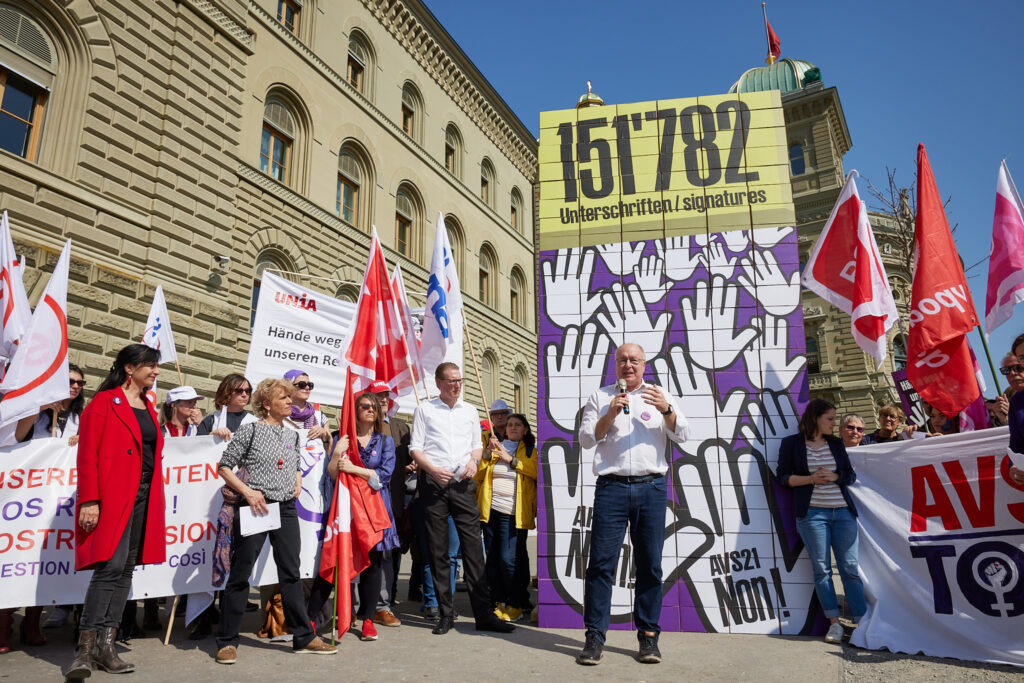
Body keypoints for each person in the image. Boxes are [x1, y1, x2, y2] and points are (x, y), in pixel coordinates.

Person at [576, 343, 689, 666]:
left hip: (650, 488)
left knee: (650, 564)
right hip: (611, 488)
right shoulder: (601, 397)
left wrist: (667, 409)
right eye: (623, 360)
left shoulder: (658, 394)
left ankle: (648, 637)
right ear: (616, 364)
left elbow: (685, 434)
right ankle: (595, 637)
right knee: (600, 564)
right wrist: (610, 412)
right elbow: (586, 440)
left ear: (644, 364)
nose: (628, 365)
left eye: (634, 360)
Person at [214, 378, 336, 663]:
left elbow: (294, 463)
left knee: (291, 573)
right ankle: (227, 641)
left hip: (286, 509)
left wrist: (295, 480)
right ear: (267, 403)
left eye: (290, 399)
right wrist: (247, 491)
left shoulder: (293, 435)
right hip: (257, 507)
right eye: (284, 399)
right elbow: (224, 467)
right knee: (242, 573)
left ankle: (303, 637)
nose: (290, 403)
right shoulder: (251, 430)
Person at [65, 345, 168, 679]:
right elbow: (88, 455)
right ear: (129, 368)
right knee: (109, 567)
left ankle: (107, 646)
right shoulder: (104, 403)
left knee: (125, 569)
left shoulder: (149, 406)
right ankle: (85, 648)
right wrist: (90, 500)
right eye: (150, 366)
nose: (155, 372)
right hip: (112, 497)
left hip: (144, 496)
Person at [409, 362, 513, 636]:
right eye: (452, 381)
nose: (457, 385)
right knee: (439, 551)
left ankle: (484, 615)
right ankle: (445, 614)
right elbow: (415, 448)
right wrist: (431, 469)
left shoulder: (469, 410)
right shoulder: (425, 410)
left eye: (460, 380)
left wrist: (474, 461)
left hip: (464, 484)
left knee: (474, 551)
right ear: (439, 382)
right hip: (434, 484)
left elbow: (476, 445)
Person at [776, 398, 866, 645]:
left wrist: (836, 475)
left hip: (843, 513)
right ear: (815, 418)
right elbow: (782, 477)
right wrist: (811, 479)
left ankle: (863, 621)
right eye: (830, 419)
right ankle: (835, 623)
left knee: (850, 568)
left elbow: (850, 476)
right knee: (822, 570)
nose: (833, 424)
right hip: (812, 514)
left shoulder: (836, 444)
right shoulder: (792, 444)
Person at [339, 392, 400, 641]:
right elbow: (334, 473)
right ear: (355, 411)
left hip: (375, 509)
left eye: (375, 407)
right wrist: (337, 455)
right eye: (365, 406)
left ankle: (367, 618)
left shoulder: (385, 442)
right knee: (348, 561)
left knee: (373, 563)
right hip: (349, 508)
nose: (371, 409)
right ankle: (346, 611)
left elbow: (381, 478)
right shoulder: (343, 439)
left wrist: (354, 469)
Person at [475, 412, 537, 623]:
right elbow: (479, 476)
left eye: (517, 425)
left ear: (525, 430)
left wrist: (510, 460)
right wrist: (486, 455)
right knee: (492, 559)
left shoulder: (530, 451)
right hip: (491, 511)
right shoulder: (496, 447)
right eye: (509, 425)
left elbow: (535, 471)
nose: (512, 428)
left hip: (513, 514)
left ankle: (516, 603)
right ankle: (498, 601)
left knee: (508, 559)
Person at [368, 380, 409, 626]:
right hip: (365, 502)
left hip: (392, 501)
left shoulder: (401, 427)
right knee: (366, 555)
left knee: (388, 555)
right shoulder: (358, 426)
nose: (383, 399)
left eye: (385, 395)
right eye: (378, 395)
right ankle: (360, 605)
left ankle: (385, 603)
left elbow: (405, 463)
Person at [15, 363, 86, 446]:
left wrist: (82, 439)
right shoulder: (39, 408)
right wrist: (38, 408)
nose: (76, 386)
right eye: (71, 381)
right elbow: (17, 438)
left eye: (80, 383)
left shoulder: (82, 416)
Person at [197, 373, 256, 439]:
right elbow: (195, 445)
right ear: (226, 392)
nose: (244, 395)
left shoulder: (255, 422)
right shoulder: (210, 421)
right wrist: (212, 435)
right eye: (239, 391)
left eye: (248, 391)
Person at [283, 369, 330, 446]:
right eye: (302, 384)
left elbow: (330, 452)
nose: (307, 388)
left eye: (310, 385)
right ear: (288, 387)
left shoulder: (320, 417)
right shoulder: (276, 415)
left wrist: (324, 435)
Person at [992, 352, 1024, 426]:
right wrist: (1005, 420)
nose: (1012, 373)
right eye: (1006, 370)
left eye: (1017, 368)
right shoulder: (1013, 401)